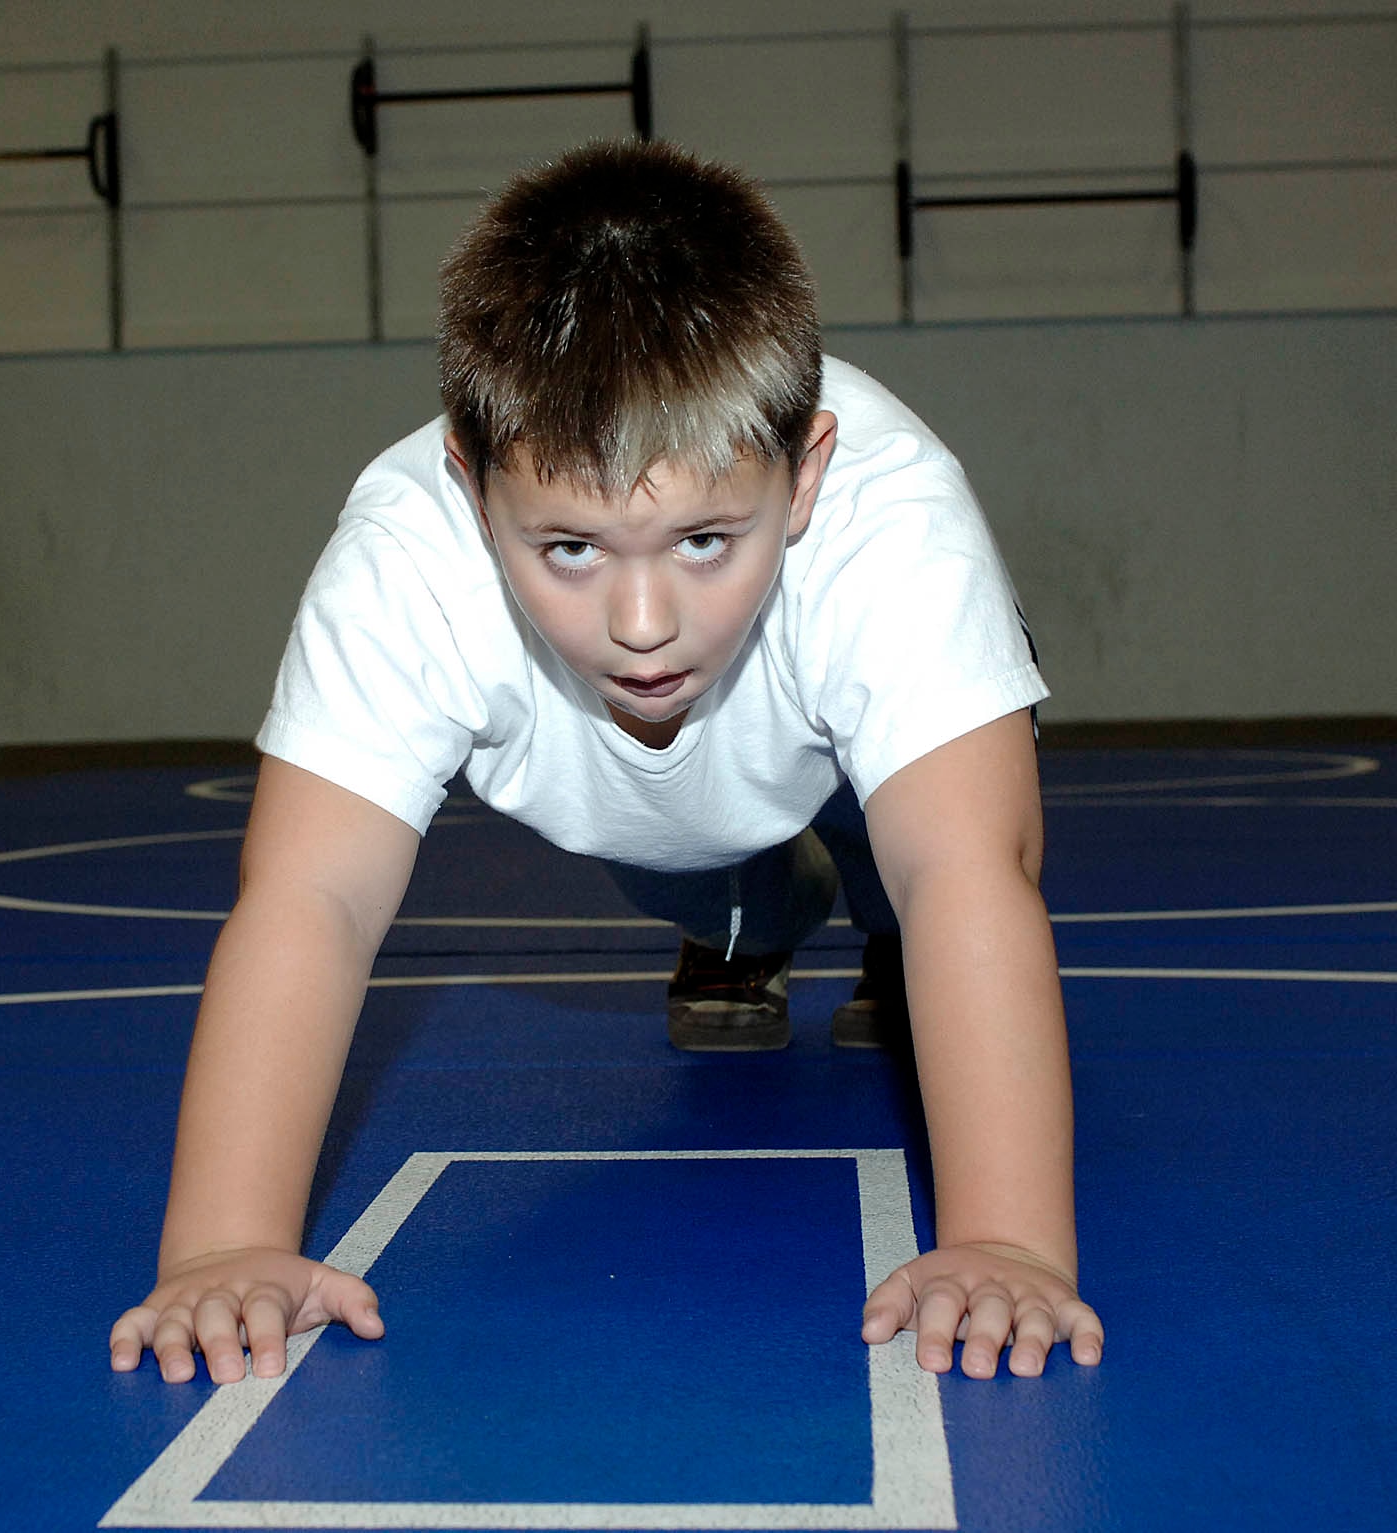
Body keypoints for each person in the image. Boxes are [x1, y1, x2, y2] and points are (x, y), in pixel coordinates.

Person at [109, 139, 1104, 1388]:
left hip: (850, 743)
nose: (643, 621)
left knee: (912, 860)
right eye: (571, 550)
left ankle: (875, 930)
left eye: (703, 540)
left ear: (803, 478)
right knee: (700, 858)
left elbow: (971, 867)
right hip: (649, 809)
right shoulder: (405, 557)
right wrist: (221, 1242)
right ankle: (756, 916)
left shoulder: (891, 528)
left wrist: (1007, 1240)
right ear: (472, 490)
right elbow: (311, 897)